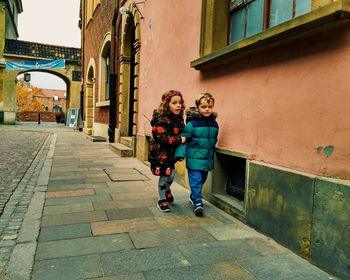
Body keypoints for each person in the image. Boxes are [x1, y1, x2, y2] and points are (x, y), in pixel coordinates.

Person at [175, 93, 219, 215]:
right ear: (198, 107)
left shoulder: (214, 124)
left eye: (210, 106)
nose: (207, 109)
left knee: (202, 180)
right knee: (196, 180)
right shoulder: (192, 124)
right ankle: (198, 203)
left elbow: (212, 140)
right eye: (204, 106)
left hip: (206, 158)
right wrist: (180, 154)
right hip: (194, 157)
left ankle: (193, 196)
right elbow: (183, 139)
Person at [148, 90, 186, 212]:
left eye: (180, 102)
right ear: (166, 104)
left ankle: (167, 190)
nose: (178, 105)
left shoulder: (178, 118)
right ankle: (162, 199)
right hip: (160, 154)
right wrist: (181, 139)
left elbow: (182, 130)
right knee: (164, 177)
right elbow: (162, 138)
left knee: (172, 176)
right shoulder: (161, 119)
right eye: (174, 103)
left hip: (171, 154)